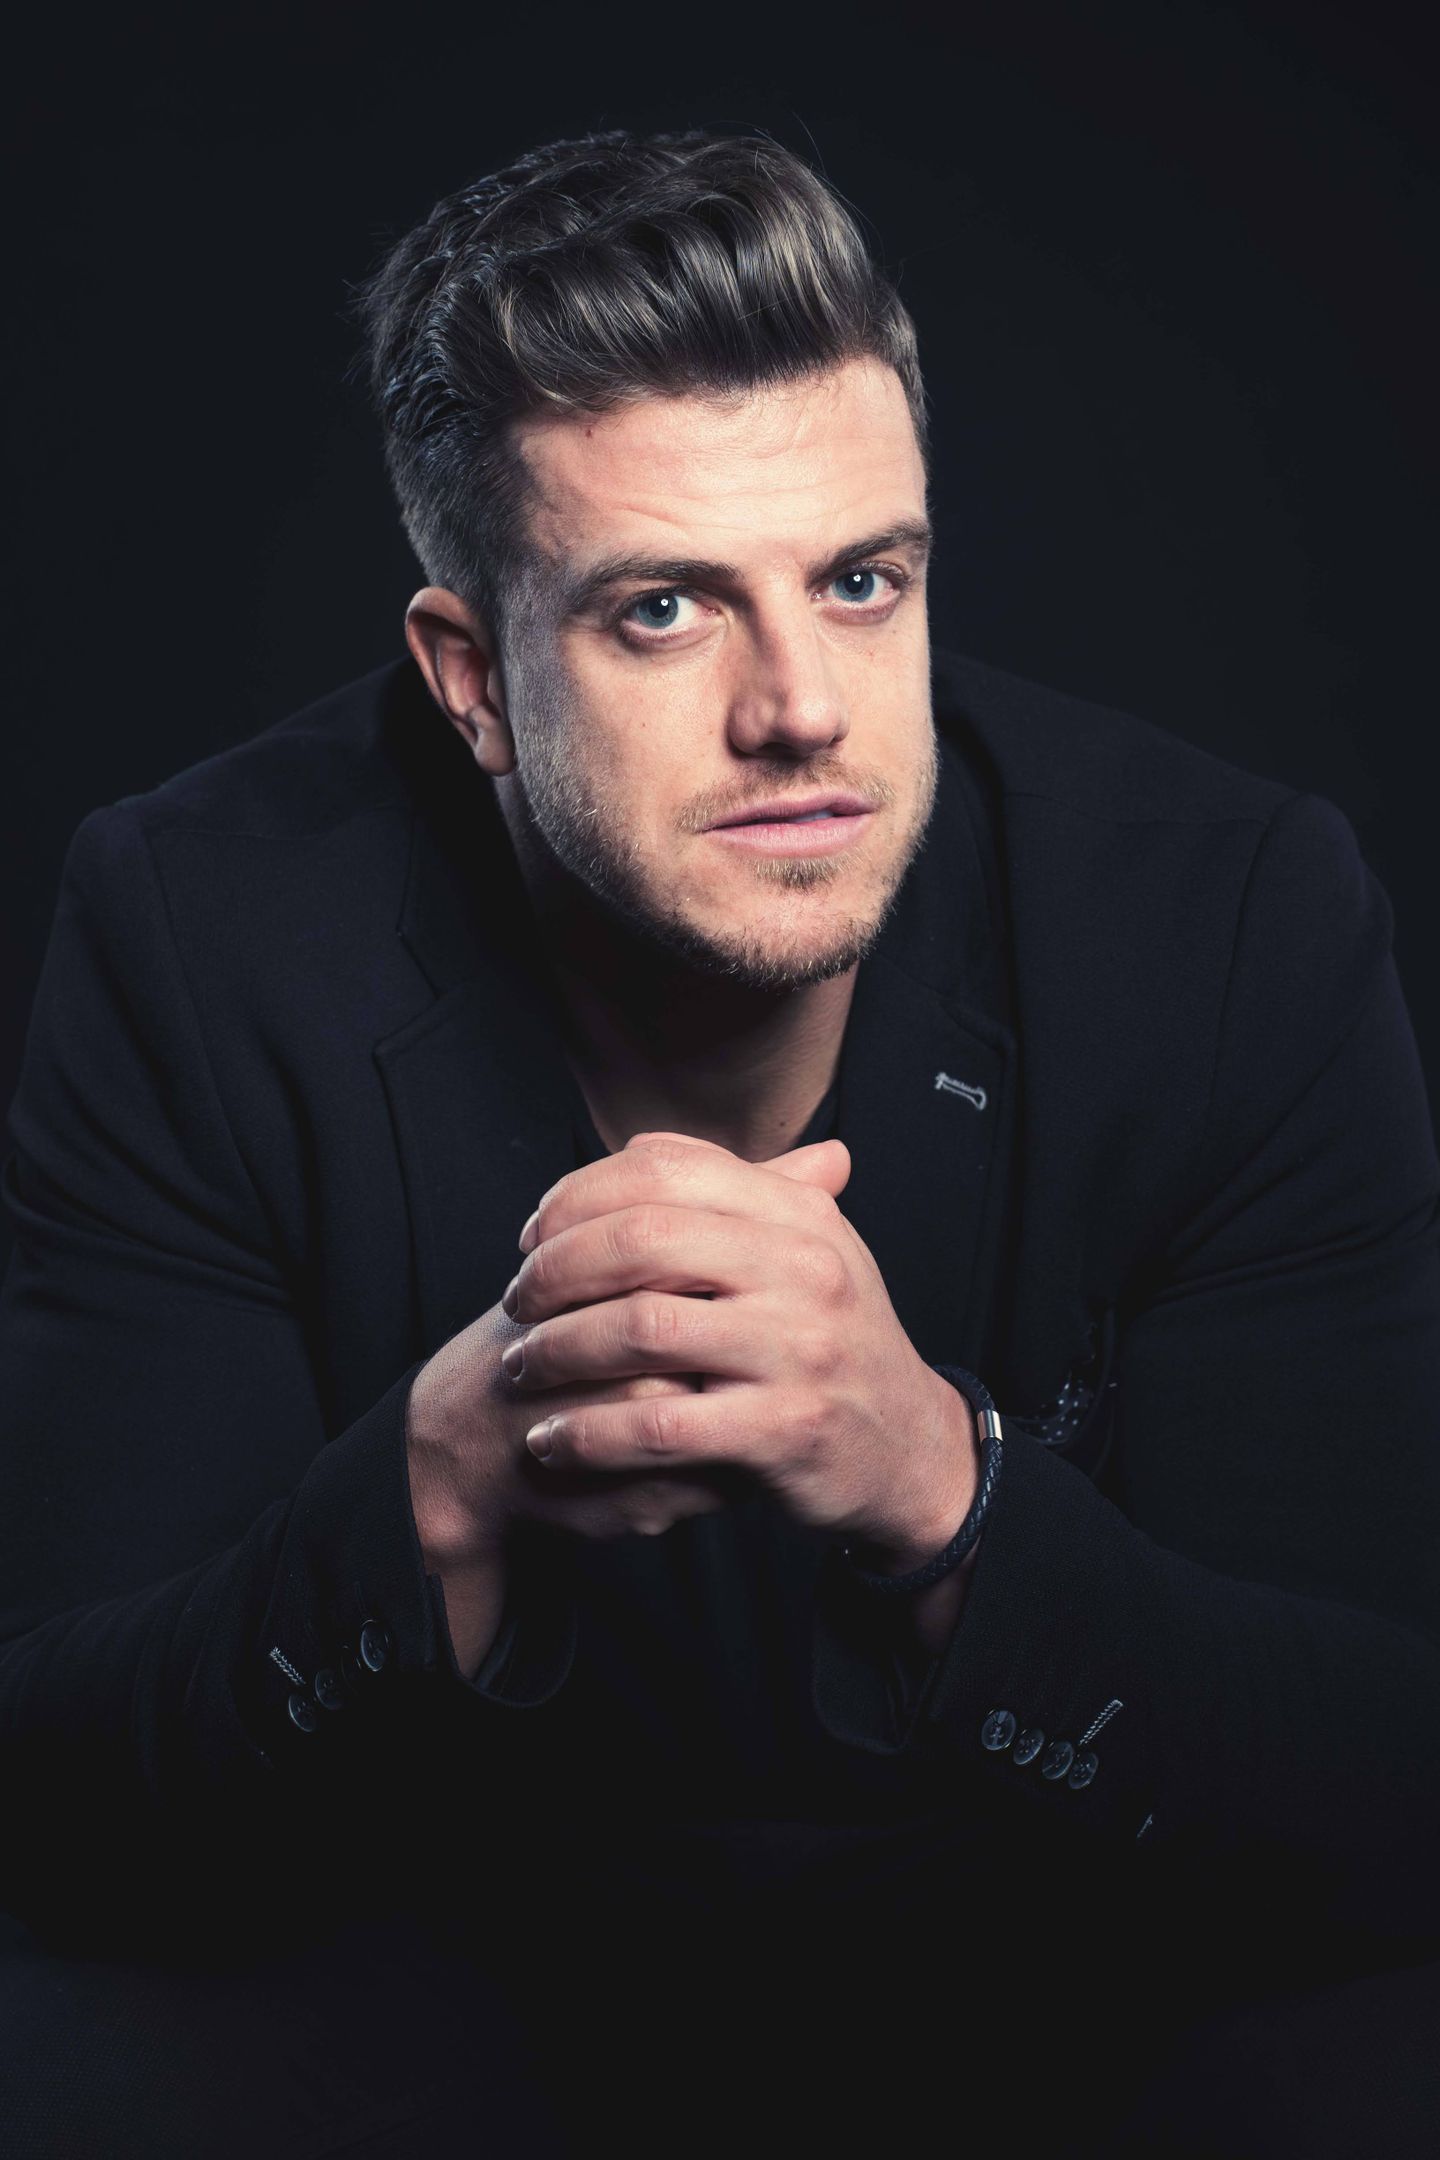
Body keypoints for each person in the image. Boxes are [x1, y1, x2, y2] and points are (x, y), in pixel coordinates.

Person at [2, 126, 1438, 2159]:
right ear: (471, 679)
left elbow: (1390, 1785)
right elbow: (57, 1796)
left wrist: (945, 1491)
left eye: (860, 583)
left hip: (1064, 1999)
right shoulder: (201, 926)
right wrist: (439, 1489)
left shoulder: (1222, 918)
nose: (803, 710)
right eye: (665, 608)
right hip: (421, 1998)